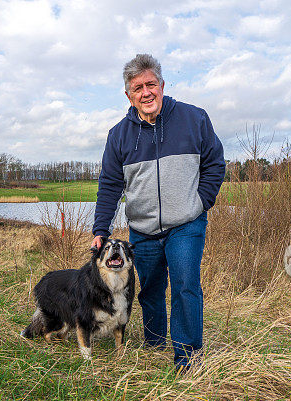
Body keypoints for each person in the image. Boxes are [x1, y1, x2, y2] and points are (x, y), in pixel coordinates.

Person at [91, 53, 225, 370]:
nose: (146, 92)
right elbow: (110, 184)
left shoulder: (195, 119)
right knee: (150, 291)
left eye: (151, 84)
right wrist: (101, 229)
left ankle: (187, 359)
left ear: (162, 86)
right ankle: (154, 346)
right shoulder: (119, 135)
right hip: (142, 230)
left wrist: (200, 201)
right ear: (129, 95)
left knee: (185, 286)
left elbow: (215, 164)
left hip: (186, 225)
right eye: (138, 88)